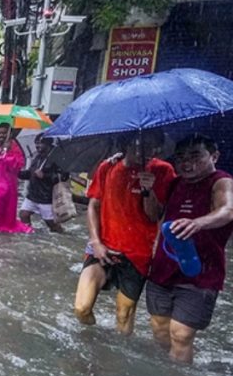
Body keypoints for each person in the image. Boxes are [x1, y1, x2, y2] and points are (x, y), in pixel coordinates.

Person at [146, 135, 233, 363]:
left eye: (195, 156)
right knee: (159, 328)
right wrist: (147, 190)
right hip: (164, 268)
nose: (186, 163)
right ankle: (169, 365)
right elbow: (155, 214)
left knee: (181, 334)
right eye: (180, 158)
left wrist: (198, 223)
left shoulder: (222, 182)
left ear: (214, 156)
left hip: (201, 271)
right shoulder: (176, 183)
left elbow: (227, 211)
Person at [73, 132, 175, 335]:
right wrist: (96, 242)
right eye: (138, 145)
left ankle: (116, 357)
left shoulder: (163, 170)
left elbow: (156, 215)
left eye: (150, 146)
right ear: (126, 144)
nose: (143, 151)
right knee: (81, 308)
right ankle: (92, 341)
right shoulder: (108, 167)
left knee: (123, 316)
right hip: (103, 248)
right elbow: (94, 205)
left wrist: (149, 190)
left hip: (138, 254)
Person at [0, 124, 33, 234]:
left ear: (9, 133)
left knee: (0, 207)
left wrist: (7, 154)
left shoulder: (14, 147)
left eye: (4, 133)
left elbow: (18, 164)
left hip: (6, 184)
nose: (1, 135)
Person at [18, 134, 68, 233]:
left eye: (40, 143)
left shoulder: (56, 158)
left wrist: (44, 176)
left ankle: (62, 233)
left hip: (46, 198)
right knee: (23, 214)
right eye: (36, 143)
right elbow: (30, 174)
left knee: (51, 223)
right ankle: (28, 232)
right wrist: (18, 173)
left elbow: (63, 177)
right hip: (32, 195)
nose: (37, 146)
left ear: (48, 144)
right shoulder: (37, 157)